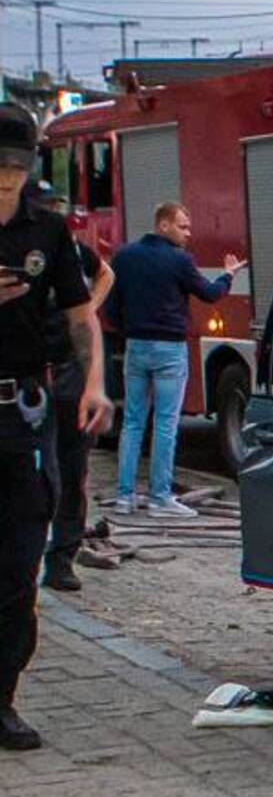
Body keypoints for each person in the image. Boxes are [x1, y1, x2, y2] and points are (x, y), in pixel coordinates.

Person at [0, 102, 114, 750]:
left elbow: (82, 314)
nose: (6, 180)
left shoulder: (47, 233)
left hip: (22, 412)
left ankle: (4, 697)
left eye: (16, 167)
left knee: (17, 569)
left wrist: (94, 380)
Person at [104, 202, 246, 519]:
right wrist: (227, 276)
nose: (188, 233)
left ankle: (125, 497)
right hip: (169, 349)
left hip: (136, 347)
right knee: (166, 424)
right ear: (164, 225)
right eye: (182, 226)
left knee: (132, 421)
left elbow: (110, 307)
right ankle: (159, 498)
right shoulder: (179, 260)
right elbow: (209, 295)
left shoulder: (124, 257)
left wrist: (128, 330)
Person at [39, 219, 114, 592]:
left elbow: (105, 274)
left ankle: (62, 558)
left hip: (68, 375)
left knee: (72, 471)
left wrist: (87, 309)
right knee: (37, 476)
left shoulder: (71, 252)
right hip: (27, 373)